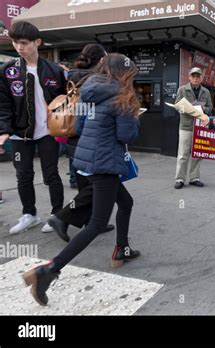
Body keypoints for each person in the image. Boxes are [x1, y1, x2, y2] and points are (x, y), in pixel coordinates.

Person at [22, 53, 141, 306]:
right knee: (96, 224)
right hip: (106, 162)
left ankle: (122, 249)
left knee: (126, 202)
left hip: (89, 159)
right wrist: (135, 117)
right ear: (125, 73)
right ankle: (48, 271)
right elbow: (126, 134)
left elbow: (81, 124)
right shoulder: (123, 97)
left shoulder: (89, 90)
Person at [0, 21, 66, 235]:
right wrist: (4, 130)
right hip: (21, 134)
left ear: (37, 42)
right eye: (15, 42)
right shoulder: (7, 71)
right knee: (23, 175)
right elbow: (3, 104)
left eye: (24, 43)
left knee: (51, 175)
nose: (19, 47)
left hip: (49, 132)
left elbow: (66, 101)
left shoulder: (55, 70)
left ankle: (58, 216)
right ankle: (30, 214)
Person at [46, 44, 115, 242]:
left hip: (72, 134)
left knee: (86, 184)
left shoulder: (71, 76)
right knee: (97, 186)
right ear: (101, 60)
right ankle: (61, 217)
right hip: (89, 136)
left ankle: (93, 223)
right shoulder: (96, 80)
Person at [174, 67, 212, 189]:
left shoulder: (206, 92)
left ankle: (194, 178)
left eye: (198, 76)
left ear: (201, 78)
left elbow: (210, 108)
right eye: (193, 76)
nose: (195, 78)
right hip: (186, 126)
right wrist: (187, 108)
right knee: (183, 154)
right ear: (189, 77)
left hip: (200, 127)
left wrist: (203, 109)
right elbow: (177, 106)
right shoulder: (182, 90)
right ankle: (180, 179)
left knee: (198, 154)